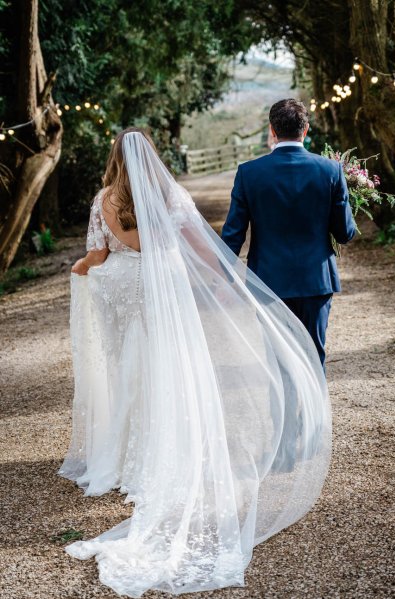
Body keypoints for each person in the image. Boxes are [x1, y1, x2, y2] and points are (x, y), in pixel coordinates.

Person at [59, 127, 331, 597]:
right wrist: (226, 280)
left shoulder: (103, 198)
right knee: (166, 362)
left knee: (127, 366)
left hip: (121, 286)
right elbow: (202, 247)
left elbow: (98, 253)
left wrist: (80, 269)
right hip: (161, 287)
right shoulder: (168, 194)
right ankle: (161, 446)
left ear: (113, 157)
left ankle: (120, 457)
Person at [222, 99, 356, 369]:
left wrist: (220, 278)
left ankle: (284, 412)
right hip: (316, 280)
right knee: (313, 355)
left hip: (268, 281)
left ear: (272, 130)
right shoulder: (330, 170)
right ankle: (314, 412)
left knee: (277, 358)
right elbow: (344, 233)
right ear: (305, 130)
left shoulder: (249, 173)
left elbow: (233, 236)